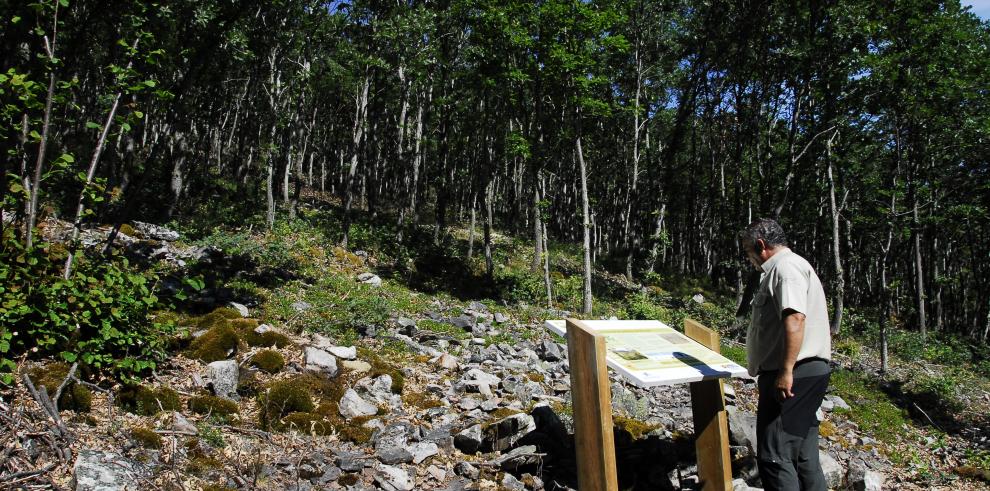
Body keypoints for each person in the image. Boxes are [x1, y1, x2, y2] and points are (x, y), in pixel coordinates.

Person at [739, 218, 832, 491]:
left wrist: (786, 371)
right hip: (805, 372)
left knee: (775, 455)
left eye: (748, 251)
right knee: (804, 458)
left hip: (793, 375)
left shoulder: (785, 268)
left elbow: (795, 319)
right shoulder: (793, 265)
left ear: (760, 245)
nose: (749, 259)